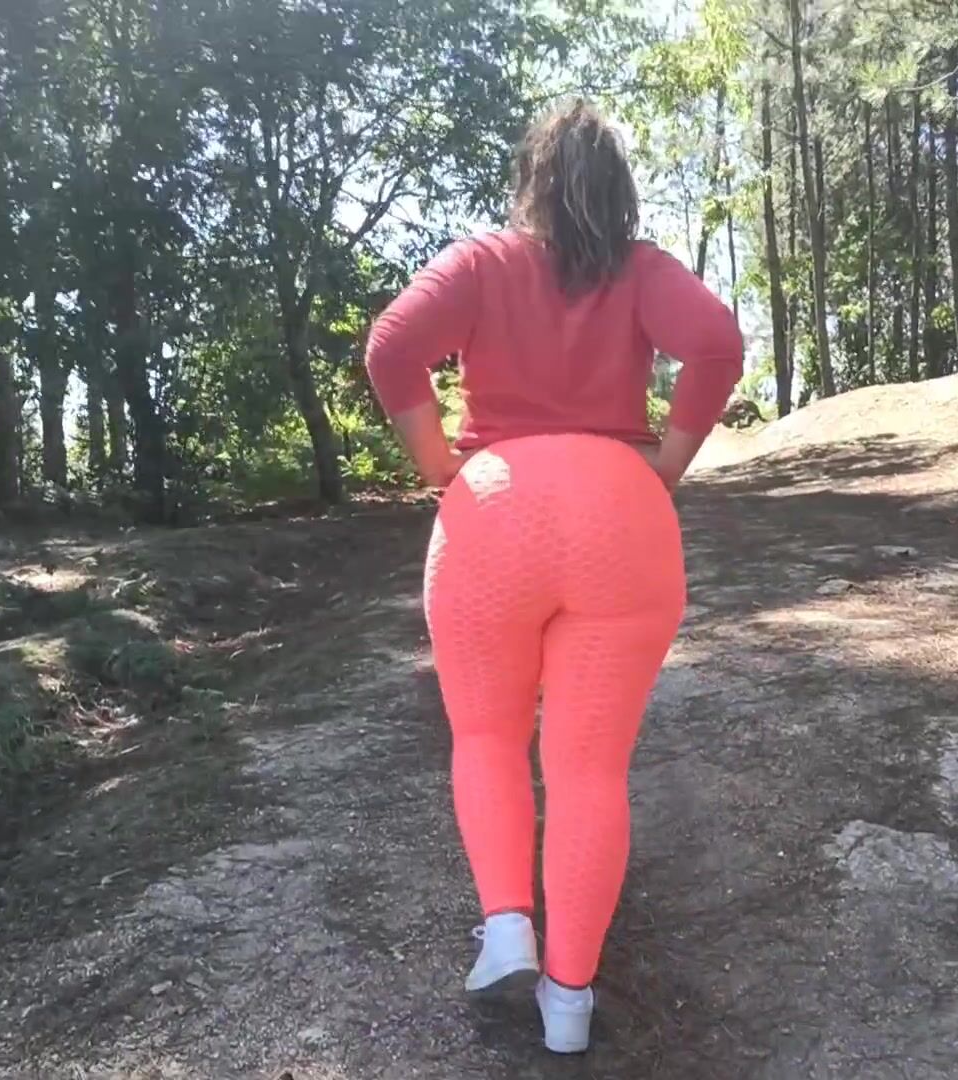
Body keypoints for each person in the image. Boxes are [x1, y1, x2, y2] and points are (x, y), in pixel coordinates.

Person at [363, 99, 743, 1054]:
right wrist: (666, 465)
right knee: (589, 769)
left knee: (488, 734)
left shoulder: (483, 262)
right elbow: (716, 344)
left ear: (530, 181)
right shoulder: (642, 269)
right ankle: (569, 1001)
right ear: (620, 191)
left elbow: (392, 345)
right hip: (622, 518)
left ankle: (506, 929)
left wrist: (437, 462)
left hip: (492, 512)